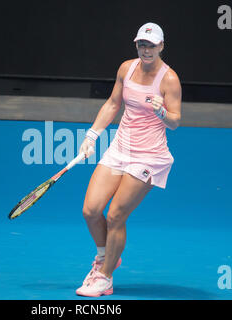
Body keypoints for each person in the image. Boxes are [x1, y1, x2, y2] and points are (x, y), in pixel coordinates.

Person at [76, 22, 182, 297]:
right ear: (137, 45)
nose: (146, 50)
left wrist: (161, 113)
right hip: (119, 149)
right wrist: (91, 135)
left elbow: (175, 122)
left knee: (115, 215)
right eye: (142, 44)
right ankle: (105, 255)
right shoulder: (126, 68)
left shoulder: (169, 79)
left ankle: (105, 277)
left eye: (152, 45)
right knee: (90, 210)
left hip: (149, 156)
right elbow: (113, 104)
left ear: (161, 46)